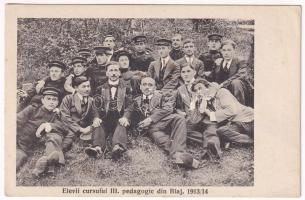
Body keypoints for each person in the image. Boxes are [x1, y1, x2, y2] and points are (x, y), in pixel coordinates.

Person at [133, 76, 199, 168]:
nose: (147, 87)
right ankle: (181, 157)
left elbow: (168, 108)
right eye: (144, 84)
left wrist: (150, 119)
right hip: (152, 129)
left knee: (179, 118)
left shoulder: (162, 96)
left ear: (155, 87)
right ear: (140, 87)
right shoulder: (135, 100)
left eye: (150, 85)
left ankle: (179, 155)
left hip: (165, 121)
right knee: (164, 141)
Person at [16, 87, 73, 176]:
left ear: (58, 103)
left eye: (54, 100)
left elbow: (65, 128)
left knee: (20, 158)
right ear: (42, 100)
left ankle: (45, 166)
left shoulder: (56, 115)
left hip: (25, 149)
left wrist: (49, 125)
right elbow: (15, 122)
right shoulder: (32, 109)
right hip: (16, 141)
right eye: (48, 99)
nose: (51, 102)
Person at [84, 62, 133, 160]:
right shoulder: (100, 88)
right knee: (98, 125)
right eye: (111, 70)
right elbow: (95, 105)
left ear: (120, 73)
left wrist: (125, 117)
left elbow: (130, 105)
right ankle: (97, 148)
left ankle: (117, 148)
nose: (113, 73)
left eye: (116, 70)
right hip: (105, 118)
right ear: (107, 73)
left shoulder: (126, 88)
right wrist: (96, 117)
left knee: (121, 125)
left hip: (119, 118)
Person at [191, 79, 254, 147]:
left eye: (200, 88)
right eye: (196, 91)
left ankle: (249, 139)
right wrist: (195, 103)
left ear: (208, 87)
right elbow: (194, 120)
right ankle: (250, 140)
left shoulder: (221, 92)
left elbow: (232, 110)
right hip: (236, 123)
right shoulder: (205, 101)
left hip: (249, 119)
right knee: (221, 131)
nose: (199, 92)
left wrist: (210, 114)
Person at [60, 76, 102, 144]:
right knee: (68, 141)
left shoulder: (91, 100)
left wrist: (96, 120)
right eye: (84, 86)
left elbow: (95, 114)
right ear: (76, 88)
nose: (87, 89)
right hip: (70, 128)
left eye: (88, 86)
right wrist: (80, 129)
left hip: (86, 130)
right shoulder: (68, 99)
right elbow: (64, 117)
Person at [212, 39, 252, 105]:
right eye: (224, 50)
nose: (226, 53)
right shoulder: (218, 63)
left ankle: (240, 108)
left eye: (229, 50)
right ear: (221, 51)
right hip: (224, 92)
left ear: (234, 50)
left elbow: (240, 75)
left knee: (236, 82)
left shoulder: (240, 61)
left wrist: (222, 84)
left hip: (239, 91)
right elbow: (212, 77)